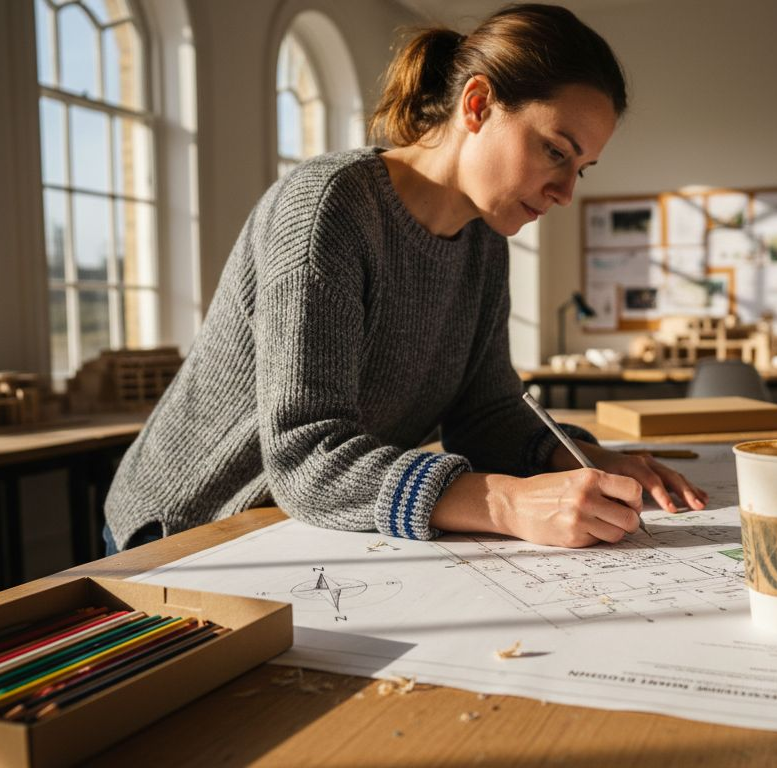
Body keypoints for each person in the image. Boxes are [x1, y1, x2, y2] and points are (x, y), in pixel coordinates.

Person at [103, 3, 707, 555]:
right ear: (477, 104)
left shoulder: (484, 243)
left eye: (582, 168)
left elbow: (487, 412)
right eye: (555, 150)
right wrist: (507, 502)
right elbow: (305, 454)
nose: (566, 191)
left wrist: (586, 459)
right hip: (191, 527)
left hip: (292, 530)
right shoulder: (328, 209)